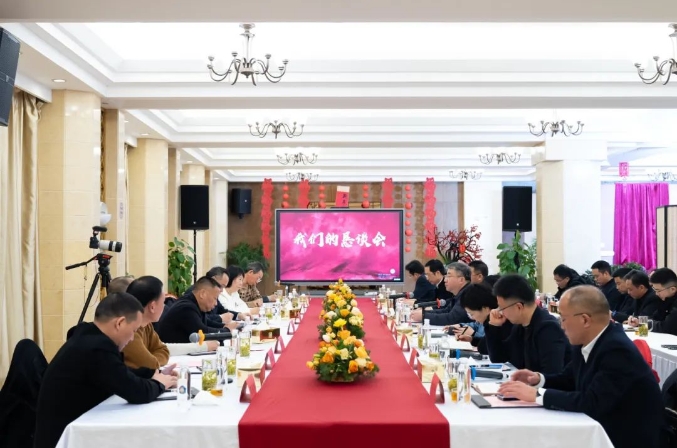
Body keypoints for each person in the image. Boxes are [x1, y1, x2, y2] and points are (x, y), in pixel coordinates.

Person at [498, 285, 665, 448]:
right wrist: (538, 380)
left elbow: (592, 402)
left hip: (626, 436)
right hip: (602, 426)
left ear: (585, 320)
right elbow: (569, 379)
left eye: (563, 319)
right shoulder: (586, 340)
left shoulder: (617, 350)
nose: (561, 326)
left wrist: (537, 395)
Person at [34, 293, 176, 448]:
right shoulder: (96, 349)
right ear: (120, 323)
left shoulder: (88, 336)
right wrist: (161, 384)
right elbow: (137, 392)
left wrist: (153, 374)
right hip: (65, 439)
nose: (131, 338)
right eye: (134, 331)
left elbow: (119, 373)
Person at [485, 274, 571, 374]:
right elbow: (498, 358)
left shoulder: (548, 329)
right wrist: (494, 327)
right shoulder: (521, 326)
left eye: (502, 308)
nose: (501, 312)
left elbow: (551, 374)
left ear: (519, 307)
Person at [157, 276, 232, 344]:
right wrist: (227, 330)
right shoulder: (185, 308)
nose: (216, 304)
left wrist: (224, 326)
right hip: (172, 353)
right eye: (215, 298)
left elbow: (207, 322)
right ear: (203, 294)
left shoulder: (195, 304)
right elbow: (202, 333)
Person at [451, 283, 508, 354]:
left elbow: (493, 350)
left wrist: (474, 335)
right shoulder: (487, 320)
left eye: (472, 314)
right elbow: (486, 344)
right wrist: (472, 340)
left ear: (485, 309)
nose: (472, 318)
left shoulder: (500, 323)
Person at [645, 268, 677, 335]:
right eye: (655, 290)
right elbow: (655, 317)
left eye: (658, 290)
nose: (656, 294)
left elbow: (667, 327)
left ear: (672, 289)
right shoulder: (666, 299)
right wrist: (639, 320)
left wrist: (644, 323)